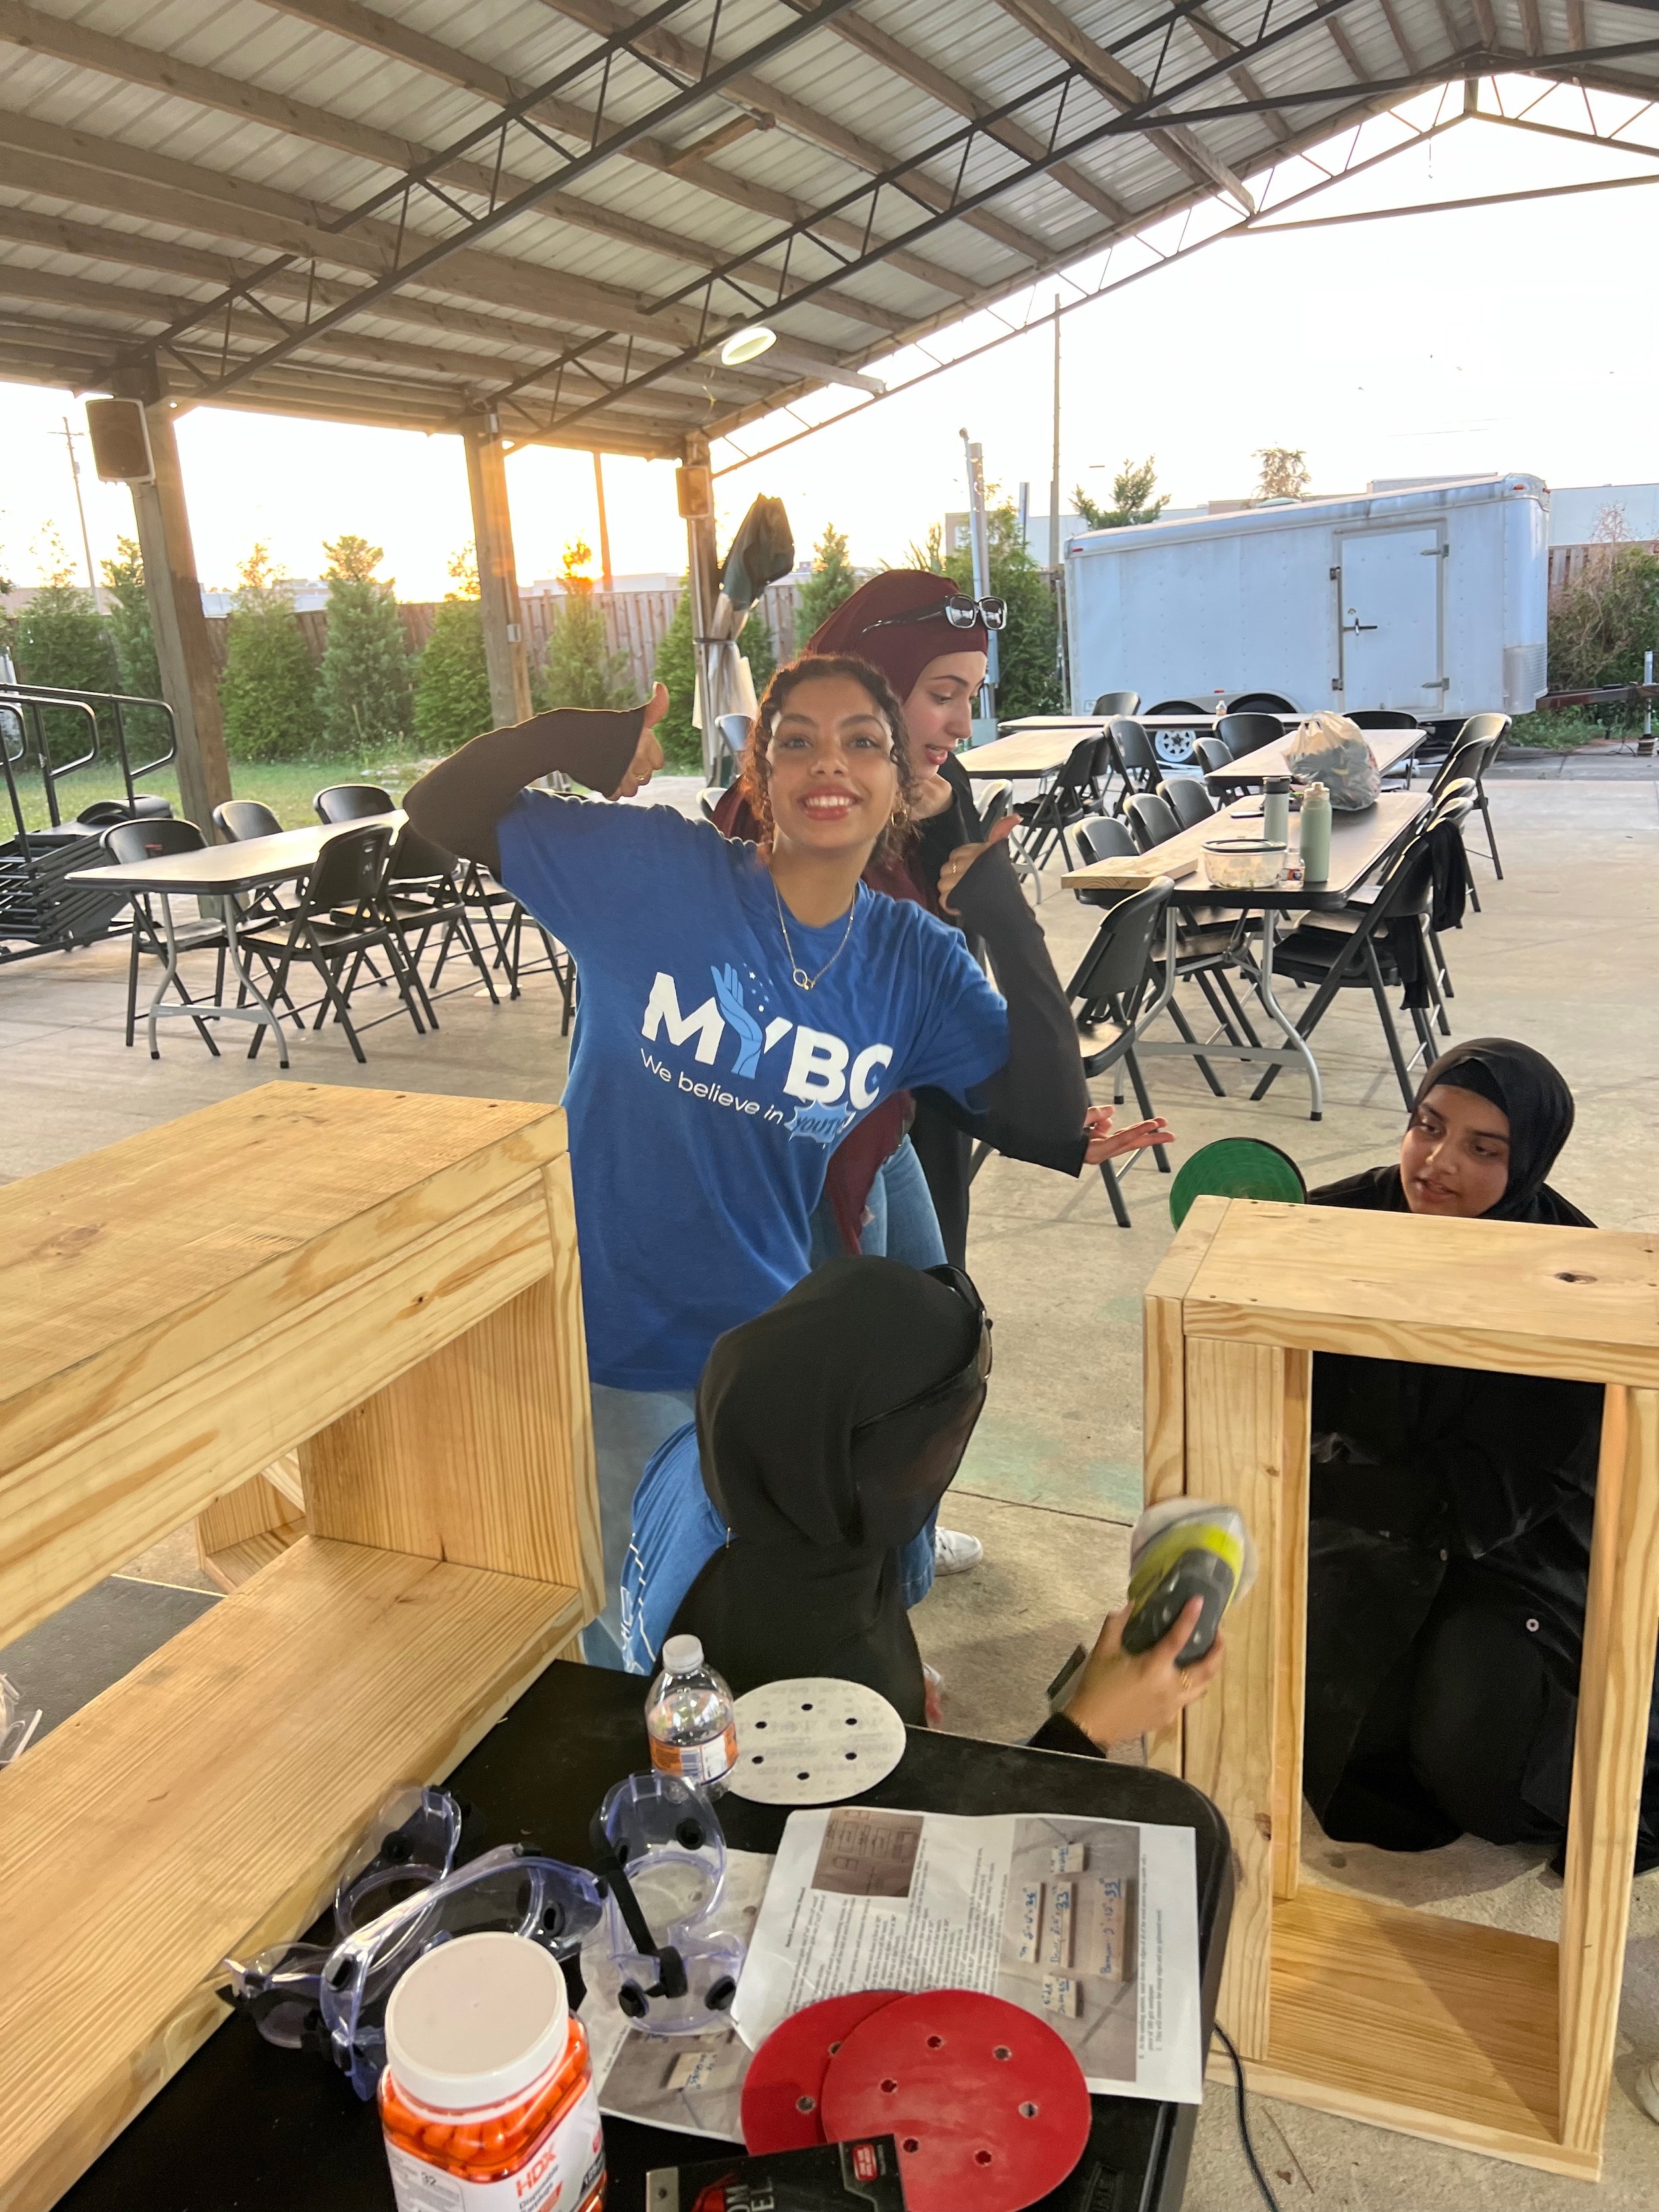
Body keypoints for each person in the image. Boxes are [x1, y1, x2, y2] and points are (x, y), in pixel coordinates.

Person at [404, 656, 1093, 1666]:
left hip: (766, 1369)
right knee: (638, 1654)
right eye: (797, 740)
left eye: (863, 740)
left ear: (902, 780)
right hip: (609, 1346)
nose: (830, 763)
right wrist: (580, 740)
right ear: (759, 776)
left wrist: (998, 907)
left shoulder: (913, 962)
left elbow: (1049, 1115)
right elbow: (441, 806)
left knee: (749, 1647)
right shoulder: (658, 874)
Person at [717, 571, 1167, 1583]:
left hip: (897, 1135)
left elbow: (954, 1031)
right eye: (943, 693)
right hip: (804, 1158)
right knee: (840, 1383)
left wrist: (1044, 1121)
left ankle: (905, 1555)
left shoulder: (927, 811)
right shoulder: (775, 833)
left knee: (936, 1348)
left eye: (969, 693)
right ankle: (859, 1592)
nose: (962, 721)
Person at [620, 1252, 1224, 1743]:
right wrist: (1091, 1724)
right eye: (930, 1443)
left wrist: (899, 1665)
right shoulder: (817, 1672)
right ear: (861, 1466)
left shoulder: (718, 1453)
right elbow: (925, 1861)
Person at [1301, 1038, 1656, 1870]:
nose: (1437, 1163)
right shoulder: (1333, 1223)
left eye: (1482, 1149)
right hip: (1361, 1516)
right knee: (1313, 1725)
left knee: (1477, 1765)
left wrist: (1302, 1484)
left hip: (1512, 1548)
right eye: (1427, 1126)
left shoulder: (1576, 1284)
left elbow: (1482, 1504)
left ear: (1527, 1160)